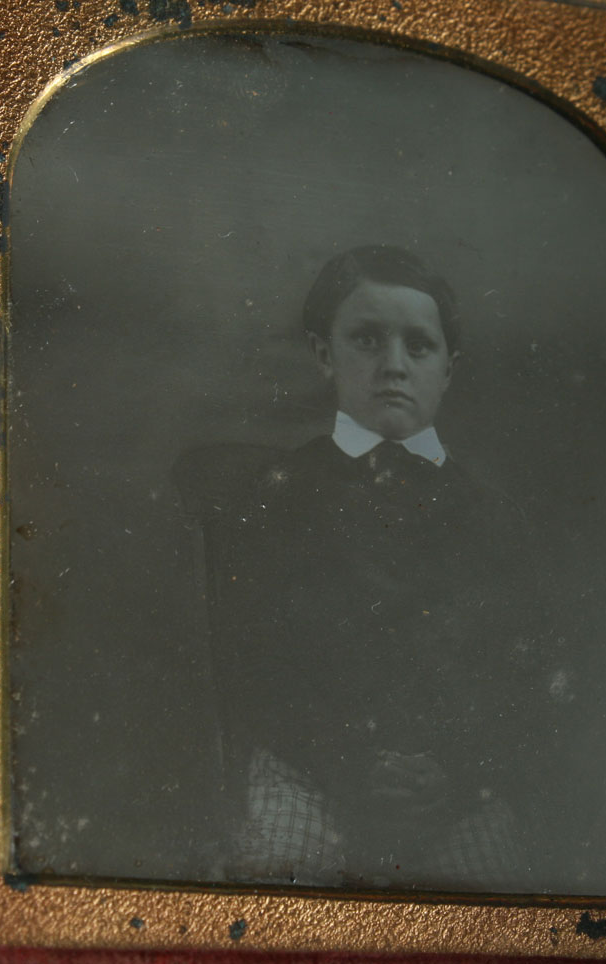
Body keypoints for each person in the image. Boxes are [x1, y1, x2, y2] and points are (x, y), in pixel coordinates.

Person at [201, 246, 533, 891]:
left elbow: (519, 675)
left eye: (419, 346)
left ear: (448, 369)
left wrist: (457, 772)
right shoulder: (273, 495)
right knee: (282, 889)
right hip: (309, 769)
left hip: (452, 789)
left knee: (493, 900)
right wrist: (347, 763)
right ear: (324, 353)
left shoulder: (493, 517)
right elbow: (250, 663)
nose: (394, 366)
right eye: (367, 340)